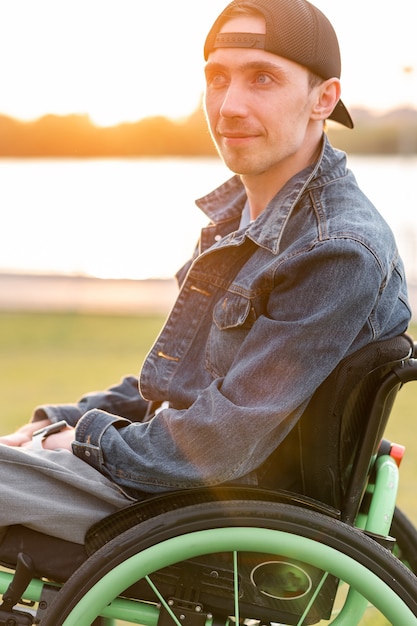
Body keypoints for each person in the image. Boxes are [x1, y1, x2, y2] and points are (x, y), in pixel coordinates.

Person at [0, 0, 411, 564]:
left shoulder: (335, 251)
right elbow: (179, 384)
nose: (229, 106)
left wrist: (81, 439)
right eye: (217, 79)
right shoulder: (243, 215)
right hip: (168, 489)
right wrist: (59, 421)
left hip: (213, 515)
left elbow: (214, 448)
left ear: (325, 98)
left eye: (262, 78)